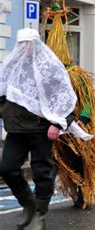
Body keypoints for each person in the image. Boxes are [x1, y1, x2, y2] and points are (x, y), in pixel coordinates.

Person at [0, 28, 82, 229]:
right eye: (21, 44)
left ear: (36, 44)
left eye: (28, 44)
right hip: (16, 129)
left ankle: (39, 213)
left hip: (40, 129)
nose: (24, 48)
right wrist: (4, 111)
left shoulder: (50, 68)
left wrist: (57, 123)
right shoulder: (11, 66)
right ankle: (28, 204)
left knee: (42, 171)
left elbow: (67, 100)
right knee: (7, 168)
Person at [44, 0, 95, 209]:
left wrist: (82, 121)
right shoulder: (47, 77)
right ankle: (75, 189)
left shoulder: (76, 75)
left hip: (76, 124)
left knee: (81, 159)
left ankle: (85, 191)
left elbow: (88, 102)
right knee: (63, 160)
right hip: (57, 126)